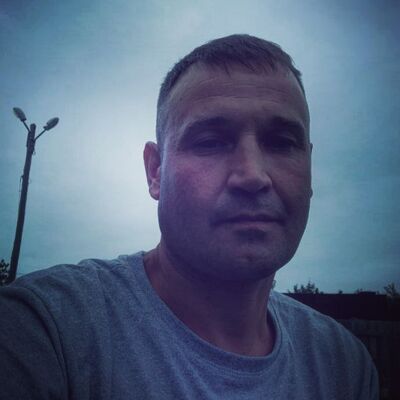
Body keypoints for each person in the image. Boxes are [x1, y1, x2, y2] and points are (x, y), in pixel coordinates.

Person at [0, 34, 378, 399]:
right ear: (155, 172)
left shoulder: (344, 365)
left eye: (282, 143)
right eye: (210, 142)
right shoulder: (42, 331)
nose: (252, 175)